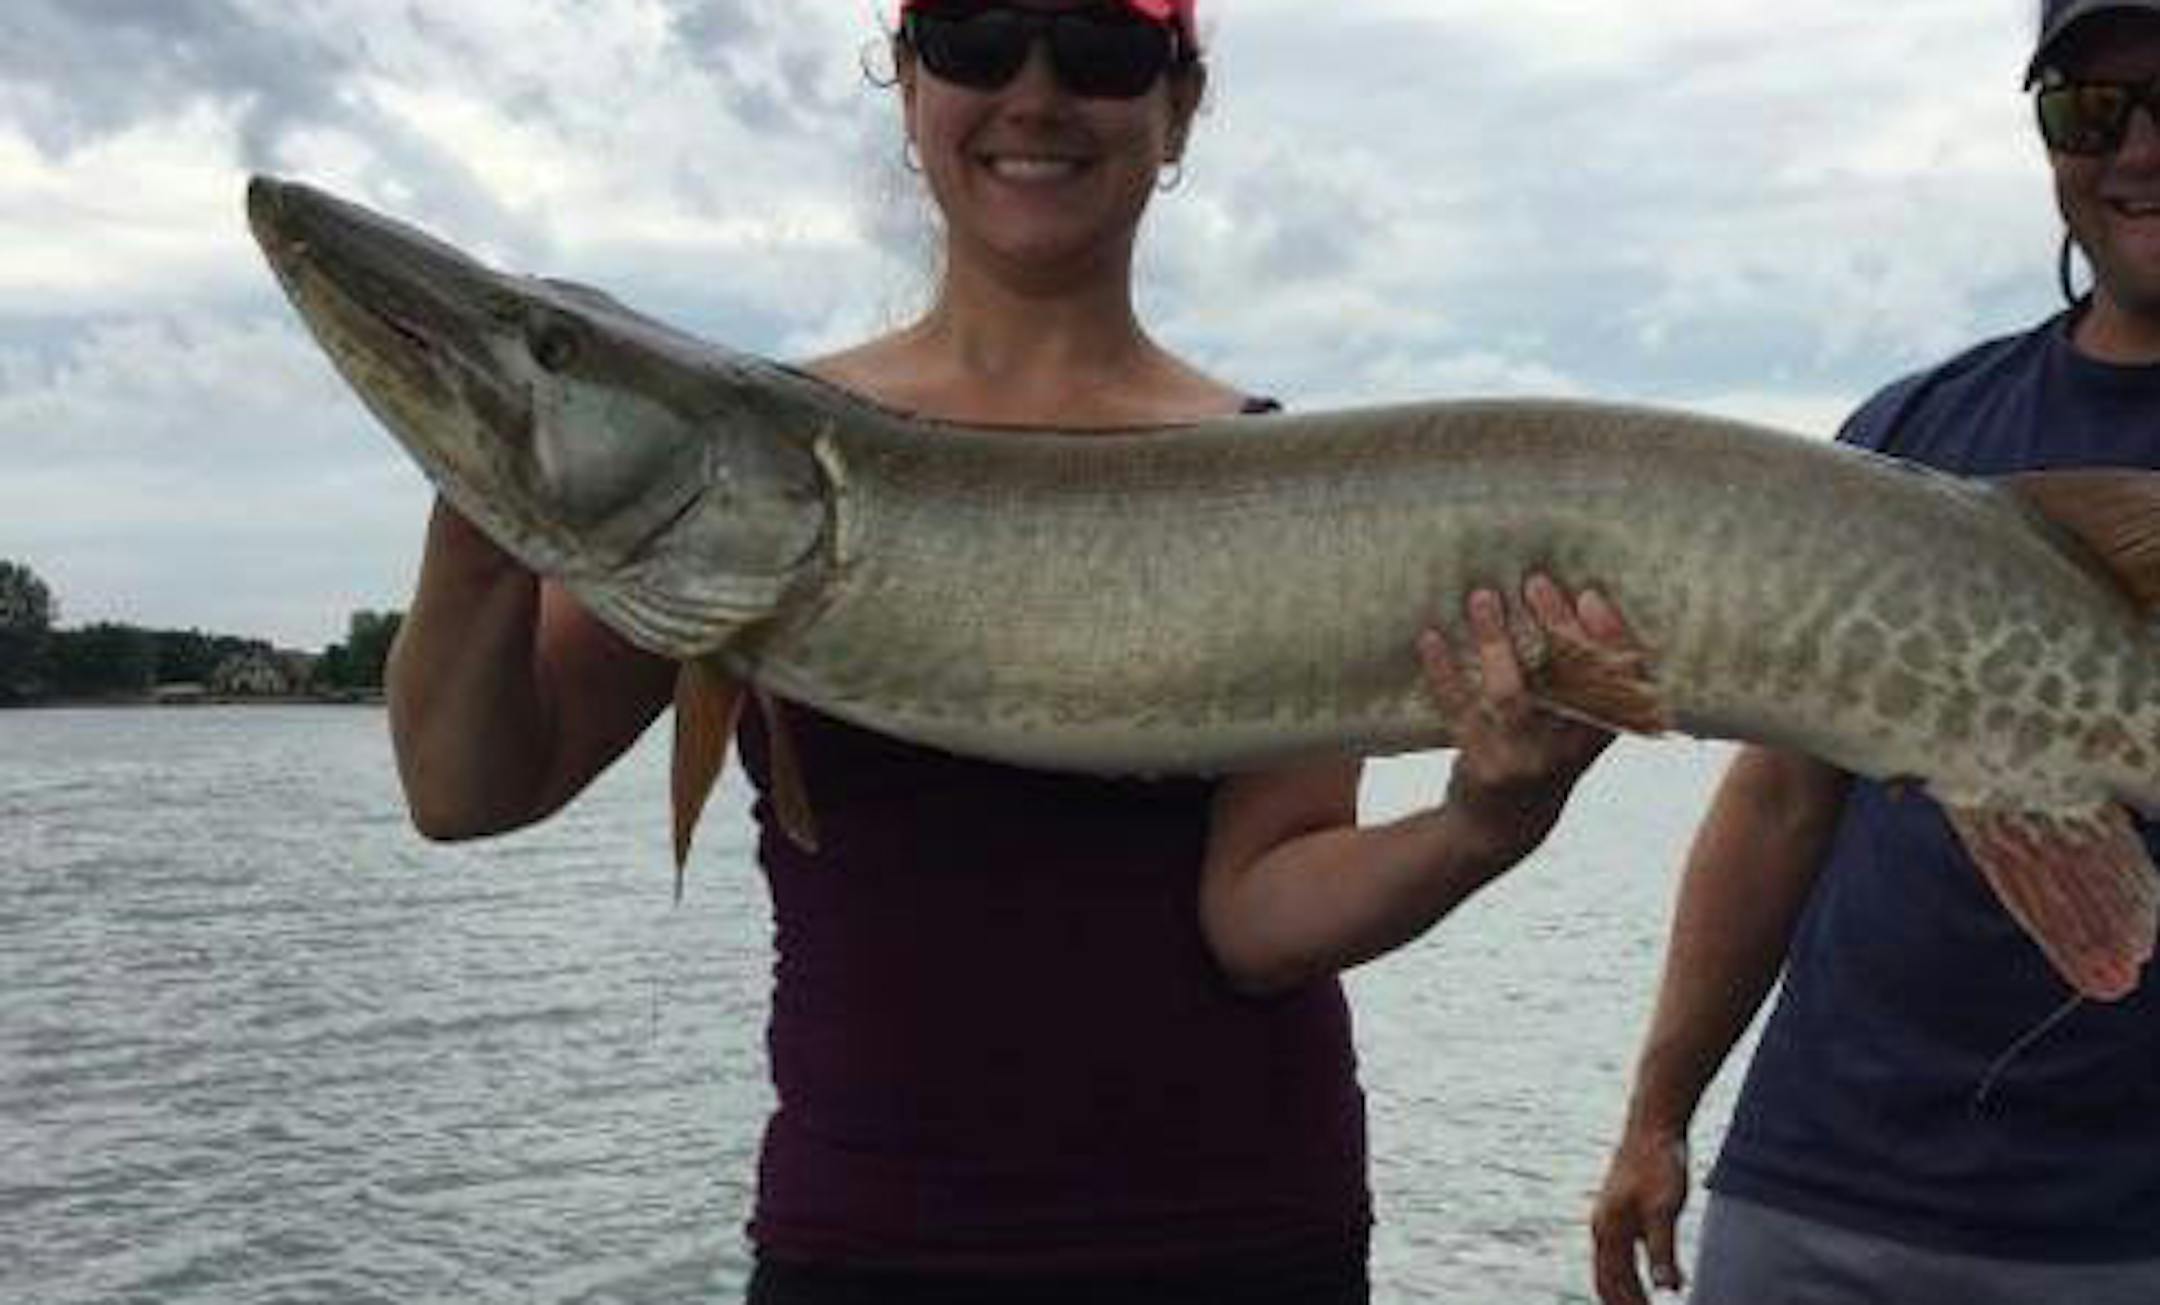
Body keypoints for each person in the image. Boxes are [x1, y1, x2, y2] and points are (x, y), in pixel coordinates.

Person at [387, 2, 1638, 1301]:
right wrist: (480, 492)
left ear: (1177, 109)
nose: (1036, 92)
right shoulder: (736, 464)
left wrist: (1482, 823)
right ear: (910, 84)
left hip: (1244, 1236)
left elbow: (1259, 914)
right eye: (983, 37)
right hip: (871, 1241)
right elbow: (467, 788)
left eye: (1099, 48)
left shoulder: (1284, 485)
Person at [1589, 4, 2160, 1302]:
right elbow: (1780, 797)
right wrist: (1658, 1110)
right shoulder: (1912, 433)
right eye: (2091, 108)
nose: (2136, 150)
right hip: (1814, 1198)